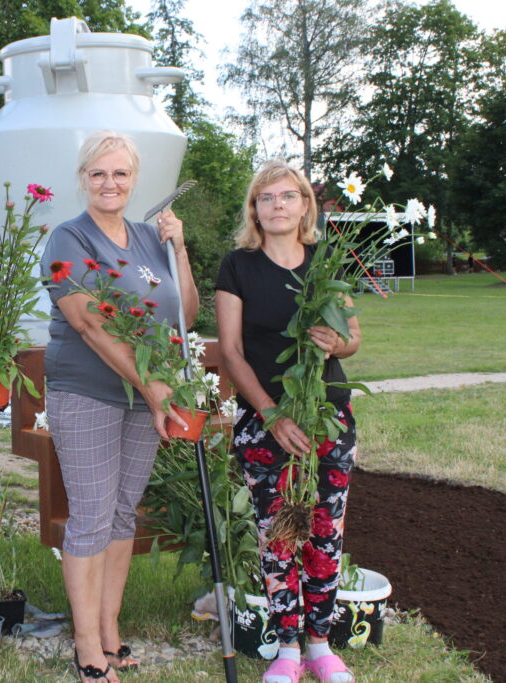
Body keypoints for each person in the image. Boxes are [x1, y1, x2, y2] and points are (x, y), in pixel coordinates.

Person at [40, 130, 198, 683]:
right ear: (83, 178)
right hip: (86, 392)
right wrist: (153, 386)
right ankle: (84, 640)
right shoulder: (69, 238)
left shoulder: (149, 237)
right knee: (91, 514)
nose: (110, 183)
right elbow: (89, 322)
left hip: (143, 395)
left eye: (121, 174)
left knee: (123, 511)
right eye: (99, 173)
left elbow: (186, 314)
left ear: (135, 179)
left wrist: (178, 247)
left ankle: (109, 626)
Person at [215, 160, 361, 683]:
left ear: (305, 205)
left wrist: (335, 341)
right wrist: (271, 414)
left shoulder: (326, 260)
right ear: (254, 209)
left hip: (327, 415)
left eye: (287, 196)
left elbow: (353, 337)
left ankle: (322, 644)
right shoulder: (238, 266)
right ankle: (287, 648)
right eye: (265, 198)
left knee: (324, 529)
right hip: (267, 418)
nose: (277, 206)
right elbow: (231, 351)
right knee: (278, 532)